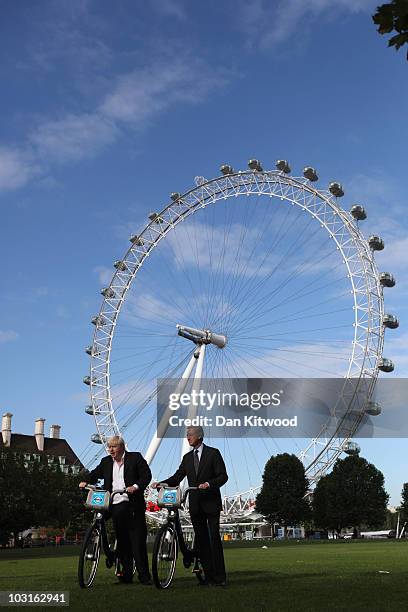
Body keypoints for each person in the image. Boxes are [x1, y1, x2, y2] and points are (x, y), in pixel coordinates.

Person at [154, 426, 228, 586]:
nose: (187, 437)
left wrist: (209, 484)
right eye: (187, 435)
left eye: (190, 435)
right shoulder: (187, 458)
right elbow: (178, 476)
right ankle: (208, 577)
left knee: (214, 538)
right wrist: (162, 483)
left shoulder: (213, 453)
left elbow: (223, 476)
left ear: (199, 436)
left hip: (211, 503)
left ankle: (220, 577)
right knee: (202, 540)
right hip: (195, 503)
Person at [79, 435, 152, 585]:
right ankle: (124, 573)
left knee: (137, 542)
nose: (110, 450)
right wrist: (86, 480)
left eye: (114, 447)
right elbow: (95, 474)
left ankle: (144, 576)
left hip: (131, 504)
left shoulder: (135, 458)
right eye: (109, 447)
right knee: (120, 538)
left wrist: (136, 487)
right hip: (112, 502)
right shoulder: (106, 462)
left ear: (122, 447)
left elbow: (146, 476)